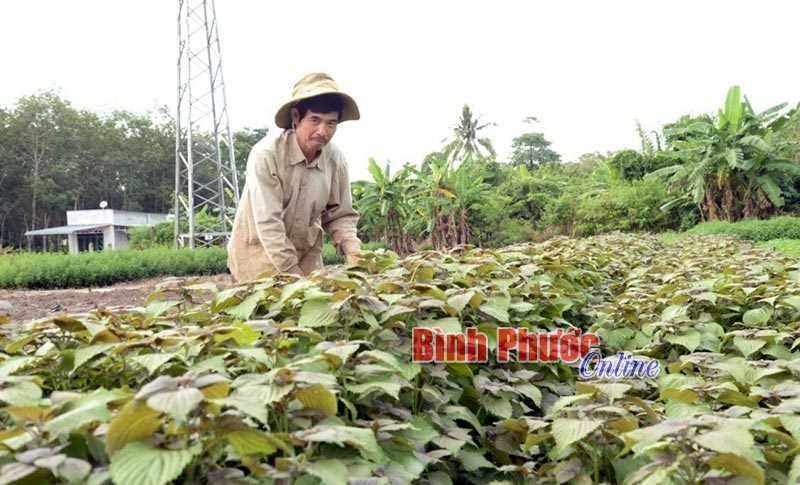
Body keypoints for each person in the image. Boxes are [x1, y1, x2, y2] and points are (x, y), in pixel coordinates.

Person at [227, 73, 362, 282]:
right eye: (315, 120)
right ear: (296, 117)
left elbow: (340, 214)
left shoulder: (335, 160)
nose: (322, 131)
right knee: (263, 312)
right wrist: (295, 278)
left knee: (312, 310)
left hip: (307, 257)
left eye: (331, 123)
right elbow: (269, 224)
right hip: (258, 260)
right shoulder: (267, 155)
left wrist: (355, 254)